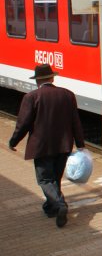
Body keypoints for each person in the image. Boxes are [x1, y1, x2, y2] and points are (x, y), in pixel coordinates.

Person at [8, 64, 85, 228]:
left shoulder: (31, 97)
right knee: (54, 178)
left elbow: (23, 123)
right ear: (52, 78)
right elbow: (75, 122)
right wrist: (80, 144)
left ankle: (60, 205)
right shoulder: (67, 95)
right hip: (63, 145)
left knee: (45, 179)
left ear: (37, 81)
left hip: (41, 146)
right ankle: (50, 208)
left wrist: (13, 141)